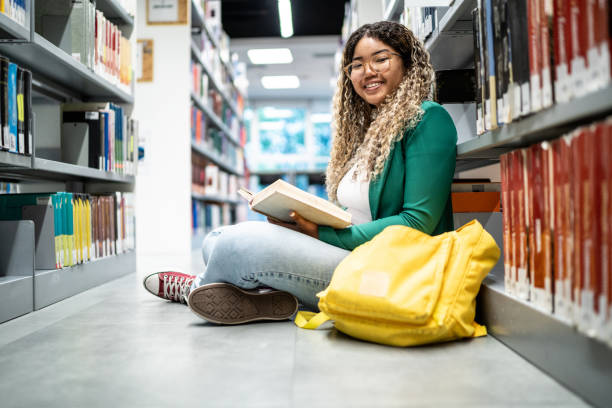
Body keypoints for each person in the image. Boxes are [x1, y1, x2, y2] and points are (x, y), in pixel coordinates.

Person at [143, 21, 458, 324]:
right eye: (358, 65)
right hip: (351, 250)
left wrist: (321, 234)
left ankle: (197, 288)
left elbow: (417, 223)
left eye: (381, 59)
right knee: (216, 239)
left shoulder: (428, 120)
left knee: (232, 247)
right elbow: (358, 211)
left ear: (407, 65)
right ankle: (264, 298)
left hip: (388, 268)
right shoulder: (373, 131)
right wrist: (304, 218)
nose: (368, 71)